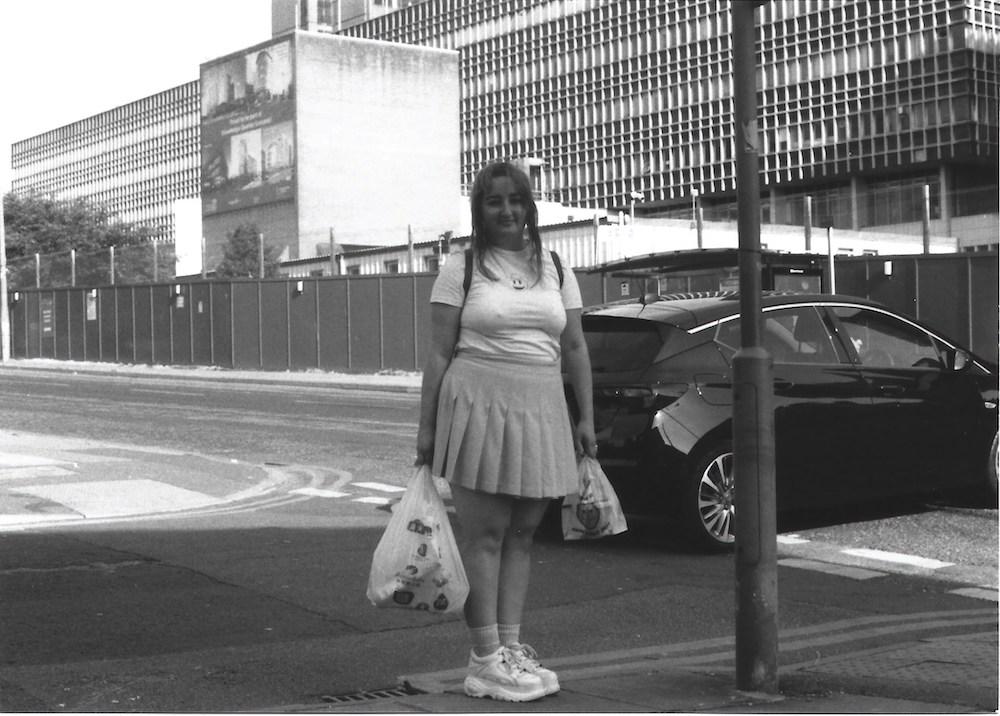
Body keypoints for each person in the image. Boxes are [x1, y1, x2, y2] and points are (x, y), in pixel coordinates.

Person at [415, 161, 596, 702]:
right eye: (495, 201)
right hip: (477, 402)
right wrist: (426, 429)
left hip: (542, 405)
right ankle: (484, 658)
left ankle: (510, 650)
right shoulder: (461, 267)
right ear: (480, 208)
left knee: (522, 536)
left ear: (529, 205)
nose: (508, 210)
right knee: (485, 537)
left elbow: (576, 348)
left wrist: (585, 417)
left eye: (516, 199)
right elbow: (440, 352)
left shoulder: (558, 267)